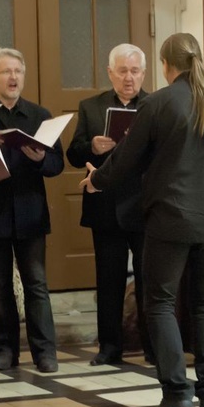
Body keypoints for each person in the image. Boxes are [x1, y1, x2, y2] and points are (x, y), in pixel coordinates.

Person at [80, 33, 204, 407]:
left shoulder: (159, 102)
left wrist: (96, 180)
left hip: (171, 217)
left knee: (161, 304)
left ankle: (175, 393)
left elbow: (127, 159)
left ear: (166, 65)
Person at [0, 47, 63, 373]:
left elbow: (57, 165)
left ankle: (45, 353)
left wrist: (40, 159)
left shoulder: (40, 115)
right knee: (0, 285)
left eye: (18, 71)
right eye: (6, 72)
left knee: (36, 283)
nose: (13, 77)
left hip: (30, 211)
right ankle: (6, 352)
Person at [66, 43, 153, 366]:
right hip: (106, 206)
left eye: (134, 71)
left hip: (145, 206)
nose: (129, 78)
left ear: (143, 73)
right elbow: (73, 154)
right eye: (122, 71)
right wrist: (92, 146)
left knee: (150, 281)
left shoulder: (155, 105)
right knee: (109, 280)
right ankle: (109, 347)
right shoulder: (91, 107)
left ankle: (153, 348)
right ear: (110, 73)